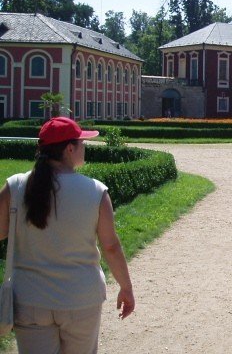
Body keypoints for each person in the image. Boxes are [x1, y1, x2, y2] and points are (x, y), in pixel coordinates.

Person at [0, 117, 135, 353]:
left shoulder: (15, 186)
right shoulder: (95, 191)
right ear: (69, 148)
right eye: (82, 142)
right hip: (81, 298)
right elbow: (111, 246)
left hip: (31, 300)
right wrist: (126, 287)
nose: (85, 147)